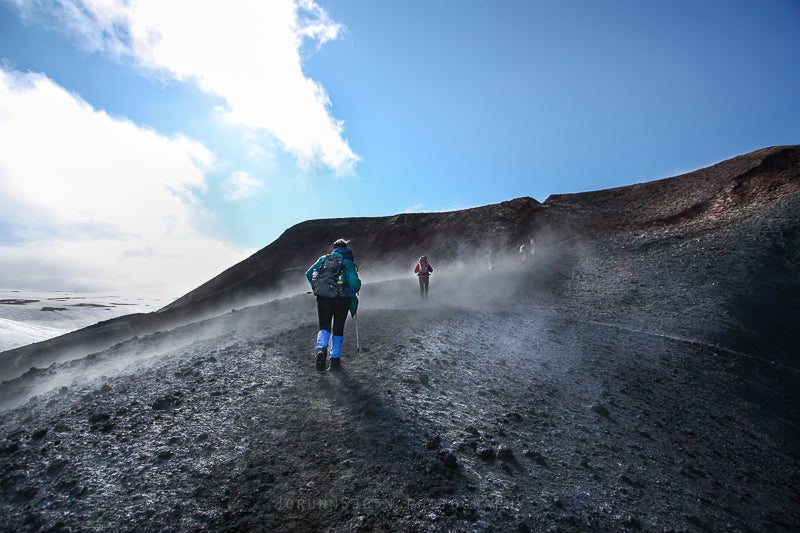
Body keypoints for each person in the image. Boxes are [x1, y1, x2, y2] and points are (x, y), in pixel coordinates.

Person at [306, 239, 361, 371]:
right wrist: (355, 288)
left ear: (334, 248)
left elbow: (309, 273)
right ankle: (335, 361)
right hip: (342, 299)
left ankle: (321, 349)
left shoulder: (324, 259)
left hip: (323, 297)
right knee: (338, 328)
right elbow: (354, 282)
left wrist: (317, 288)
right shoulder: (347, 262)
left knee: (324, 326)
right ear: (345, 248)